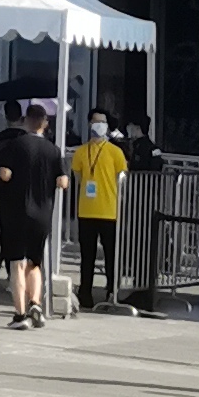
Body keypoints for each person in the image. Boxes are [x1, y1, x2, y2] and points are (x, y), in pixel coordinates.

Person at [0, 99, 63, 328]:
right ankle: (36, 305)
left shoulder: (13, 146)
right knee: (35, 263)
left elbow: (4, 174)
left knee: (17, 264)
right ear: (45, 123)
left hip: (16, 213)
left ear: (25, 121)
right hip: (43, 214)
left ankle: (20, 315)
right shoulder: (53, 151)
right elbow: (63, 181)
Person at [69, 108, 128, 311]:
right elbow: (78, 178)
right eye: (96, 121)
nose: (99, 125)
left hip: (109, 211)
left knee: (111, 254)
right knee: (87, 255)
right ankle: (85, 292)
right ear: (89, 124)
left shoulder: (115, 152)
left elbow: (121, 179)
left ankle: (112, 290)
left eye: (103, 122)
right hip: (86, 210)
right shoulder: (80, 152)